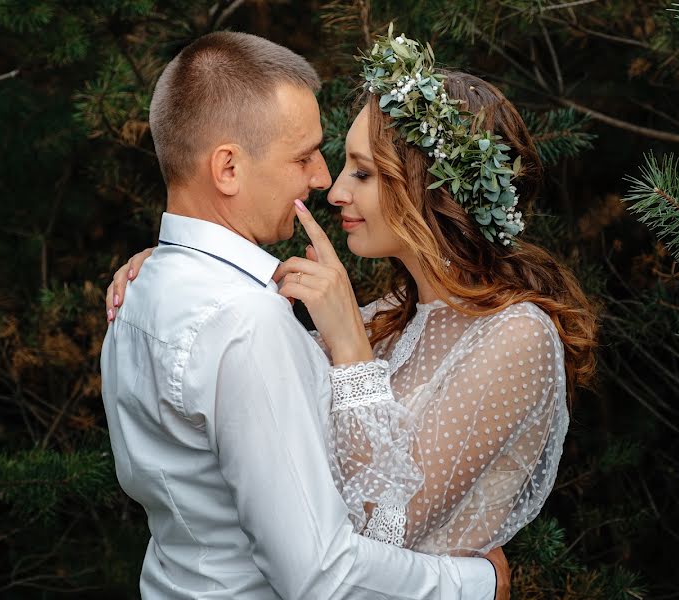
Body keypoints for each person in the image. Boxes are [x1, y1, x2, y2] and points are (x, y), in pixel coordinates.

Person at [100, 30, 508, 599]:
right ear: (227, 170)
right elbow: (320, 575)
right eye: (304, 156)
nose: (322, 179)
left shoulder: (142, 291)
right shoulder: (245, 322)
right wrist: (476, 583)